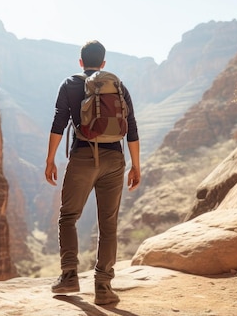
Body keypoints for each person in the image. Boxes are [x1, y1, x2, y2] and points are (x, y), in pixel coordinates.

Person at [44, 40, 141, 305]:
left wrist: (50, 159)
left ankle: (69, 276)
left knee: (68, 217)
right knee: (108, 225)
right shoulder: (117, 85)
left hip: (83, 156)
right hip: (114, 159)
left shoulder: (70, 84)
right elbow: (131, 126)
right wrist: (136, 165)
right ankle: (103, 287)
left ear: (80, 62)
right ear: (103, 63)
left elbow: (58, 122)